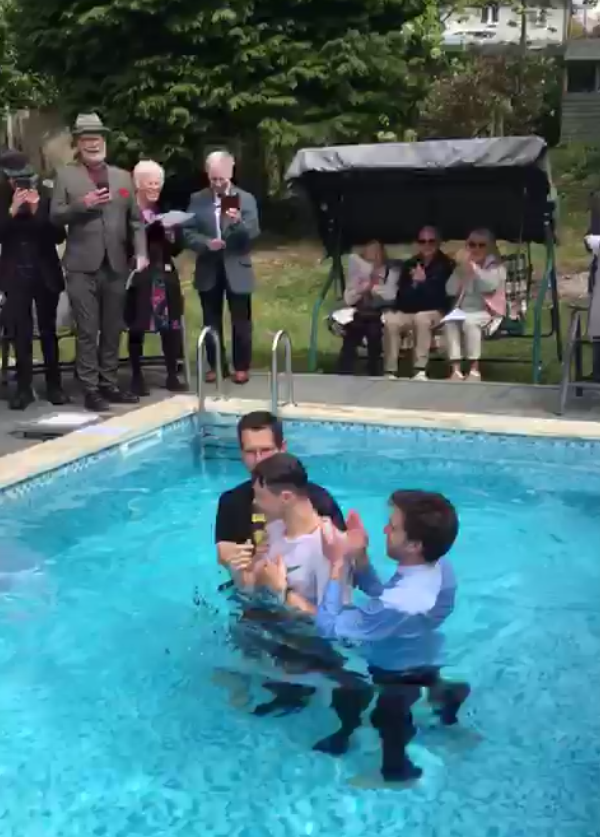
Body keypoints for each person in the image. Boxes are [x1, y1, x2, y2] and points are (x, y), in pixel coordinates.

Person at [315, 490, 470, 782]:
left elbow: (328, 627)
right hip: (424, 649)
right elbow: (384, 595)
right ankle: (450, 708)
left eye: (393, 527)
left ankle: (395, 774)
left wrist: (337, 564)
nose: (385, 529)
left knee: (386, 718)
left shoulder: (400, 603)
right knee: (428, 682)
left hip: (394, 670)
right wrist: (359, 559)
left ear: (414, 544)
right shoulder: (438, 567)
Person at [50, 113, 148, 412]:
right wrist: (83, 205)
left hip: (116, 263)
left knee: (112, 326)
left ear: (104, 141)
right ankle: (90, 388)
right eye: (86, 139)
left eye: (97, 138)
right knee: (88, 329)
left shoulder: (122, 177)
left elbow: (136, 221)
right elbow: (55, 216)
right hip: (81, 265)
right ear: (78, 144)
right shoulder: (66, 176)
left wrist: (141, 252)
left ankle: (109, 382)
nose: (93, 144)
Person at [183, 150, 260, 385]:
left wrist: (238, 224)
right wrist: (206, 243)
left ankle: (241, 366)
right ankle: (216, 365)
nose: (217, 184)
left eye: (221, 179)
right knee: (211, 319)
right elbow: (187, 232)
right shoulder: (198, 199)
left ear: (231, 173)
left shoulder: (244, 199)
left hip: (236, 264)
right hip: (209, 265)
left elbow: (253, 233)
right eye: (213, 179)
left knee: (240, 320)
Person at [0, 150, 69, 410]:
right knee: (21, 332)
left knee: (49, 330)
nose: (19, 184)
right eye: (14, 180)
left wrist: (38, 209)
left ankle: (55, 385)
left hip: (45, 271)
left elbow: (58, 236)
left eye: (25, 179)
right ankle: (24, 387)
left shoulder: (46, 198)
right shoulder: (3, 201)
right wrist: (12, 210)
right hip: (14, 273)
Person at [125, 160, 187, 395]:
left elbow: (176, 248)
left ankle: (172, 374)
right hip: (139, 275)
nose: (155, 189)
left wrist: (170, 232)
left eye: (158, 184)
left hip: (164, 273)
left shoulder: (164, 209)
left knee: (170, 324)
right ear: (138, 184)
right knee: (137, 324)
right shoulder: (129, 210)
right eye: (150, 184)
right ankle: (136, 376)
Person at [383, 227, 454, 380]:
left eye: (431, 241)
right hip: (411, 310)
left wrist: (423, 283)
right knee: (391, 320)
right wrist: (414, 285)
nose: (427, 245)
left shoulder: (446, 265)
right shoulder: (410, 264)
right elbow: (401, 298)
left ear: (438, 243)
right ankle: (390, 371)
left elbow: (440, 297)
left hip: (436, 312)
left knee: (421, 318)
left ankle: (419, 369)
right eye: (422, 241)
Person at [444, 228, 506, 382]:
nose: (476, 249)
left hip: (488, 311)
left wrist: (475, 269)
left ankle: (474, 370)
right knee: (450, 322)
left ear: (490, 247)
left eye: (481, 245)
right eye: (472, 245)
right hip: (464, 309)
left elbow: (489, 285)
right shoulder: (463, 266)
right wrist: (460, 272)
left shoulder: (496, 267)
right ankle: (456, 370)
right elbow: (449, 289)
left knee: (469, 322)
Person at [338, 241, 398, 377]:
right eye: (370, 252)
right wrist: (361, 288)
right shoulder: (358, 273)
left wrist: (374, 288)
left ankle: (373, 369)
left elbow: (392, 295)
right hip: (362, 312)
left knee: (374, 331)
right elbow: (348, 298)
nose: (374, 256)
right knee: (353, 329)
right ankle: (343, 370)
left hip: (381, 312)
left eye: (377, 252)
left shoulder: (391, 271)